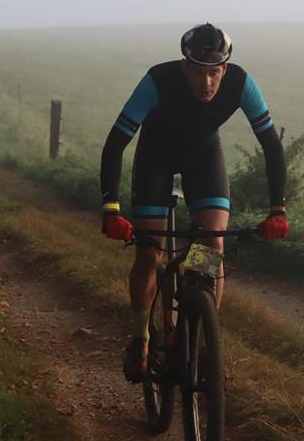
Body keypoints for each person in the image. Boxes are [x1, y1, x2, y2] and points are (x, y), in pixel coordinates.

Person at [98, 22, 290, 383]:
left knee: (212, 244)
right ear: (185, 66)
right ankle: (140, 338)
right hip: (156, 159)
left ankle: (200, 332)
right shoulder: (158, 80)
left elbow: (271, 145)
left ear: (225, 69)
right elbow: (116, 143)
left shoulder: (240, 83)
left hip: (203, 158)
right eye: (200, 72)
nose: (207, 82)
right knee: (150, 252)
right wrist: (112, 208)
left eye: (215, 72)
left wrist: (277, 209)